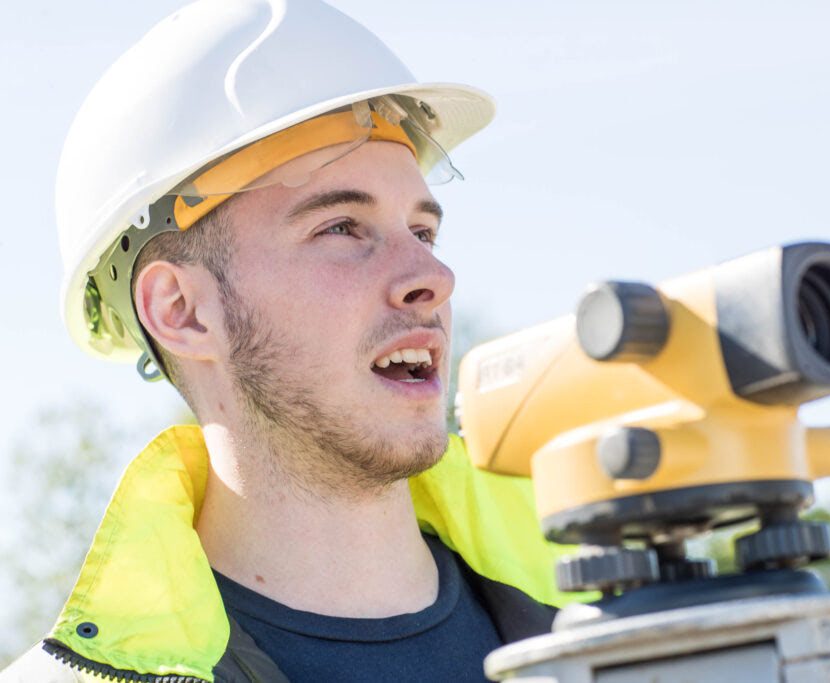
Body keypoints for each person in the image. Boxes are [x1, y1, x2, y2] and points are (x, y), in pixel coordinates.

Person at [1, 1, 570, 680]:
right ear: (181, 311)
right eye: (341, 228)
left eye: (422, 231)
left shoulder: (621, 608)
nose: (433, 277)